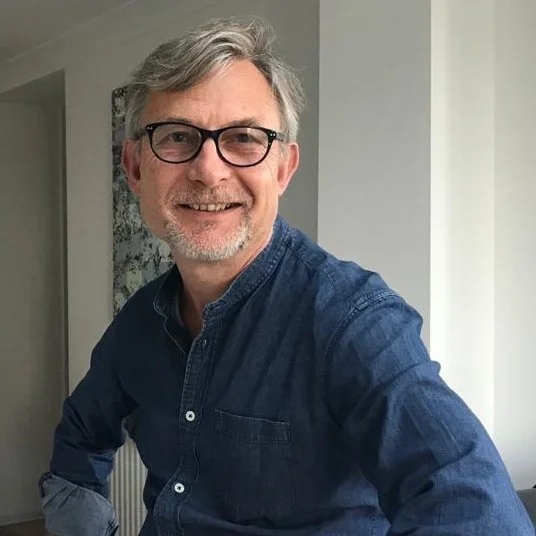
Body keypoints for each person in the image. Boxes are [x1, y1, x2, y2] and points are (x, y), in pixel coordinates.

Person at [40, 16, 534, 536]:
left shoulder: (352, 321)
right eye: (178, 136)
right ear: (136, 168)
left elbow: (475, 509)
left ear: (283, 169)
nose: (208, 170)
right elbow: (78, 441)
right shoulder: (139, 324)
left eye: (244, 138)